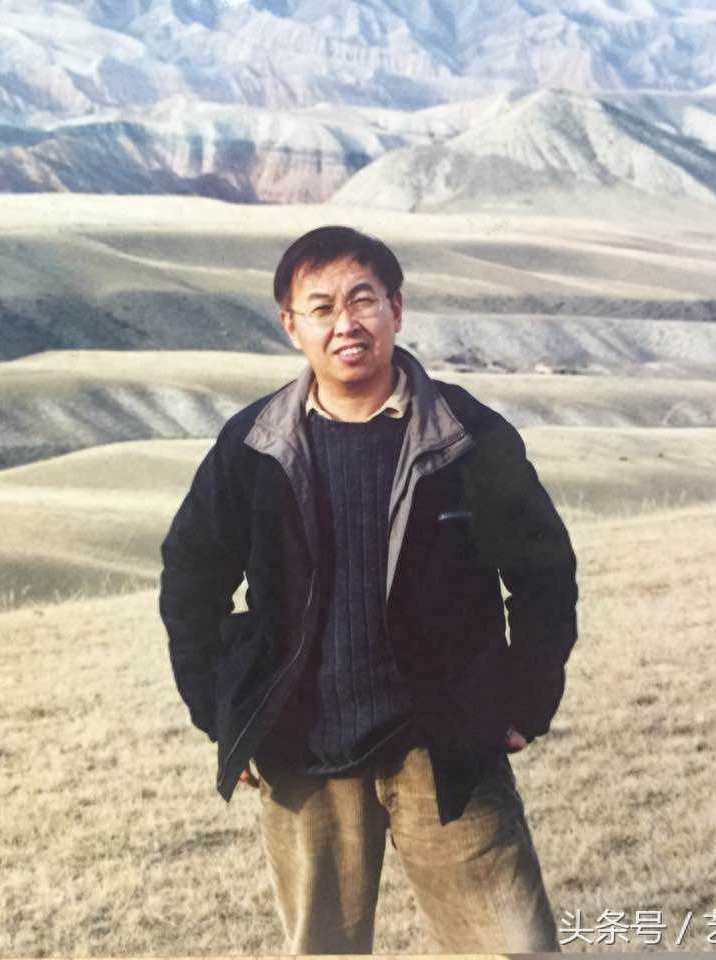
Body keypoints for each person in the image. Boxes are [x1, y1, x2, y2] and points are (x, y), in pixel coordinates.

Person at [160, 225, 578, 953]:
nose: (345, 324)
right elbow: (190, 579)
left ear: (396, 309)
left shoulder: (468, 434)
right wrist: (225, 712)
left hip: (447, 746)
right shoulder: (253, 445)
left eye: (363, 300)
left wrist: (525, 696)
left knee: (516, 945)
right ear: (290, 325)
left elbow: (544, 574)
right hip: (301, 748)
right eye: (321, 308)